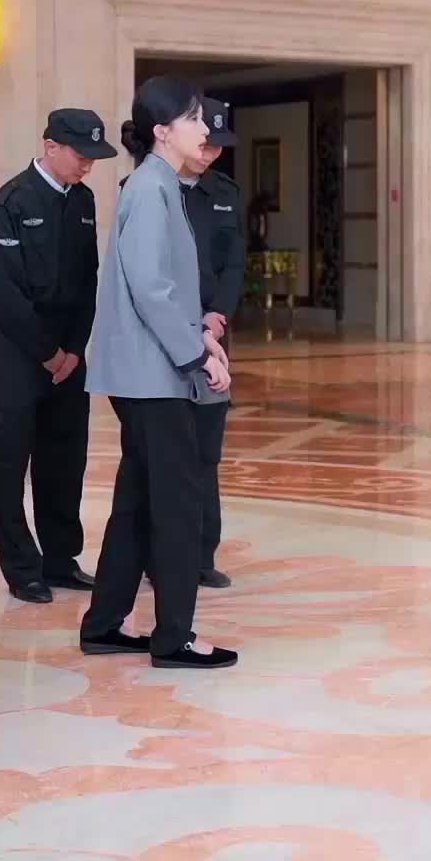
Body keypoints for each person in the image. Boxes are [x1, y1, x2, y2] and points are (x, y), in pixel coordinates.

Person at [80, 75, 239, 670]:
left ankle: (104, 624)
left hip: (149, 369)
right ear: (162, 132)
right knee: (177, 504)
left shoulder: (159, 184)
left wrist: (201, 335)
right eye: (194, 119)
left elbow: (165, 284)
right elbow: (150, 287)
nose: (204, 128)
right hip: (153, 374)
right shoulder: (151, 189)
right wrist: (196, 353)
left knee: (139, 501)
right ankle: (174, 637)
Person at [0, 109, 117, 604]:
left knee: (64, 463)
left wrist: (74, 350)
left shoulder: (83, 201)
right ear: (51, 146)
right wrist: (48, 352)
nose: (88, 165)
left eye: (94, 157)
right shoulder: (9, 203)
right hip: (15, 358)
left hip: (68, 362)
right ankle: (21, 568)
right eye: (81, 154)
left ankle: (60, 559)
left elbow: (88, 280)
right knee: (8, 466)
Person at [184, 97, 245, 587]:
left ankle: (202, 555)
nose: (210, 154)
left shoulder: (226, 194)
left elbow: (234, 263)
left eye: (218, 147)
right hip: (168, 335)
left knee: (207, 452)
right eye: (205, 144)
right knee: (160, 454)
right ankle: (156, 554)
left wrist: (218, 316)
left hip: (215, 337)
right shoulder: (152, 189)